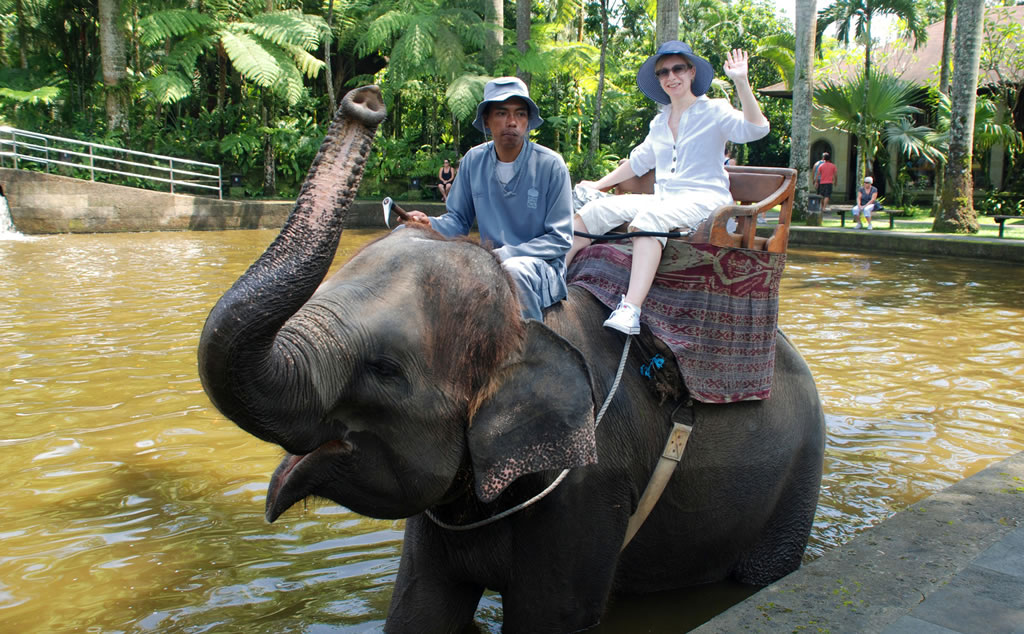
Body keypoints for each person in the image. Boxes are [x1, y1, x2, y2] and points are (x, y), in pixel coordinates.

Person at [565, 43, 769, 335]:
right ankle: (552, 280)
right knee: (593, 210)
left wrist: (741, 81)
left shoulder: (714, 111)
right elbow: (637, 163)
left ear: (691, 72)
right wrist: (597, 185)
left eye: (678, 68)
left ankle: (630, 309)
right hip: (664, 199)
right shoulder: (659, 122)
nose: (671, 76)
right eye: (663, 72)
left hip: (706, 202)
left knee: (650, 219)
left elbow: (756, 129)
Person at [403, 77, 573, 321]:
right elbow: (458, 220)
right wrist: (430, 224)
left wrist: (503, 255)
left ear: (527, 121)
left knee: (512, 273)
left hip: (541, 267)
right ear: (486, 120)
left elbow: (560, 239)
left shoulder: (551, 165)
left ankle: (527, 352)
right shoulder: (473, 160)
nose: (512, 122)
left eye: (520, 114)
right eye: (502, 113)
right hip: (489, 263)